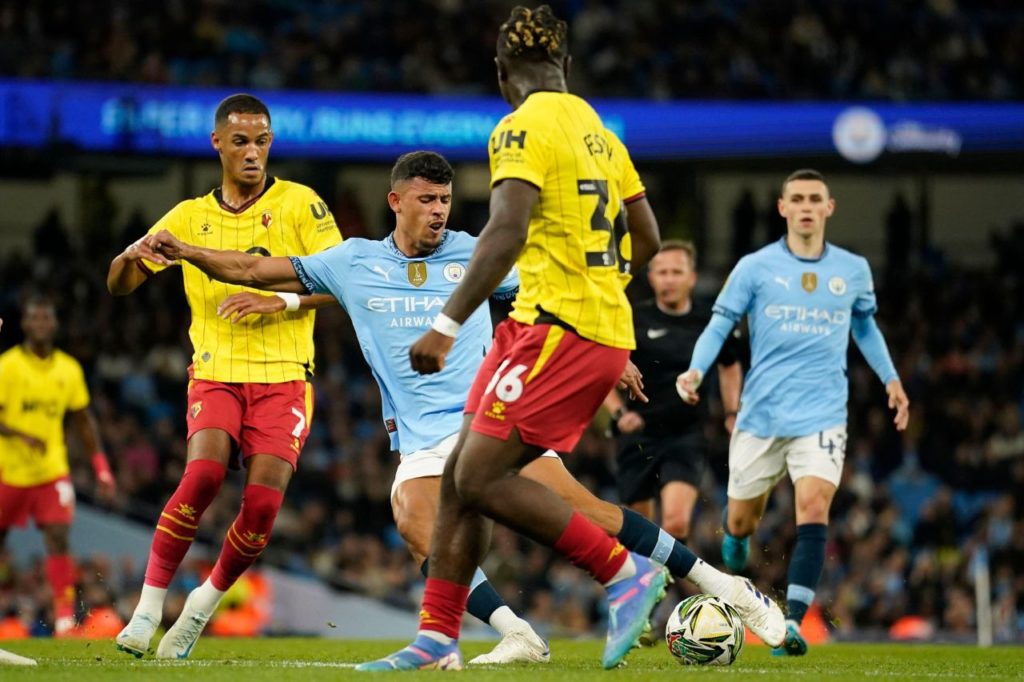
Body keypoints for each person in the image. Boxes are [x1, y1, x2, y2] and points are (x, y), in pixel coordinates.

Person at [150, 147, 783, 665]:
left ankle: (724, 586)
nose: (437, 212)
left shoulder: (477, 256)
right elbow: (256, 268)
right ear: (395, 201)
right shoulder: (353, 262)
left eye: (444, 201)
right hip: (420, 436)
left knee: (587, 511)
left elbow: (553, 293)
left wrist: (610, 353)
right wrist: (189, 251)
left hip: (492, 420)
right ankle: (516, 633)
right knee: (415, 522)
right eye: (425, 200)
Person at [361, 6, 783, 670]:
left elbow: (504, 230)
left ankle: (624, 574)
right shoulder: (598, 130)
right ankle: (436, 636)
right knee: (457, 482)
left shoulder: (519, 128)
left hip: (555, 332)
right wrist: (600, 284)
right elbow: (644, 238)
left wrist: (445, 325)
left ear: (503, 73)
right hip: (570, 327)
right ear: (568, 67)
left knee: (476, 478)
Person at [106, 93, 341, 659]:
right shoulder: (188, 217)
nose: (253, 152)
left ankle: (198, 609)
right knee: (204, 476)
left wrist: (279, 305)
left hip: (285, 375)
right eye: (240, 141)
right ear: (217, 144)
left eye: (262, 141)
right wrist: (131, 256)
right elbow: (120, 284)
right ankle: (144, 614)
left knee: (261, 508)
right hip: (215, 372)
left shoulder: (301, 205)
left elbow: (340, 282)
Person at [677, 169, 910, 656]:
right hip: (760, 415)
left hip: (823, 413)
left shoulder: (852, 269)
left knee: (814, 506)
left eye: (814, 199)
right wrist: (696, 371)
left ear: (829, 208)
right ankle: (737, 540)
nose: (806, 206)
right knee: (740, 523)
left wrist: (891, 379)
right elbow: (720, 326)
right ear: (782, 208)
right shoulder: (755, 267)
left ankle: (792, 624)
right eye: (797, 199)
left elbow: (865, 328)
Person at [604, 240, 742, 543]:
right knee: (639, 531)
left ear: (691, 277)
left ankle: (666, 580)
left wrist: (732, 411)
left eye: (676, 272)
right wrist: (619, 414)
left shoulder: (712, 322)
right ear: (651, 277)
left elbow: (729, 365)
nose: (669, 279)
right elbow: (602, 370)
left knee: (676, 524)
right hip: (638, 432)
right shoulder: (629, 318)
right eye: (662, 272)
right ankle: (651, 584)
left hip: (686, 432)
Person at [0, 297, 115, 636]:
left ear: (54, 324)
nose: (39, 323)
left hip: (52, 470)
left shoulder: (69, 369)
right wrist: (23, 435)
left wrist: (102, 469)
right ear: (24, 325)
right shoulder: (7, 366)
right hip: (9, 469)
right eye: (33, 317)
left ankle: (64, 619)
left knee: (58, 537)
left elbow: (83, 422)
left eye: (45, 318)